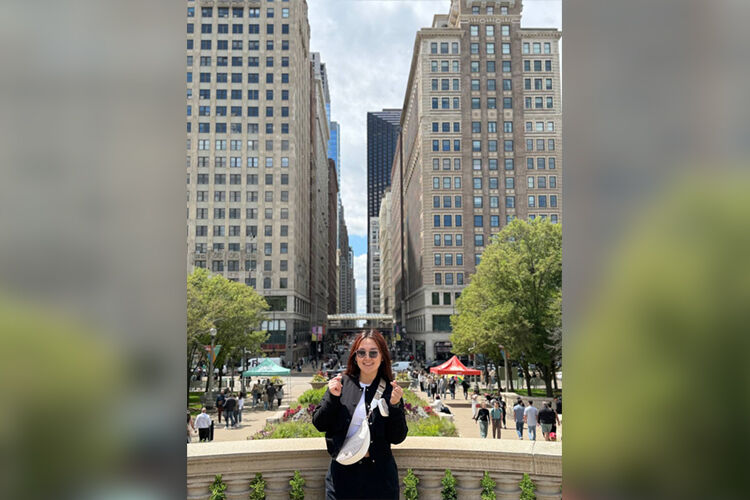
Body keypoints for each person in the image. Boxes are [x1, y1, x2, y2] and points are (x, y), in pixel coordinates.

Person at [312, 330, 408, 500]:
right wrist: (332, 398)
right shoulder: (341, 383)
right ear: (355, 356)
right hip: (342, 477)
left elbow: (397, 437)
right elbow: (319, 424)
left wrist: (395, 406)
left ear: (382, 357)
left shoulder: (390, 390)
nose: (367, 358)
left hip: (380, 479)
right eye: (361, 352)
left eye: (373, 353)